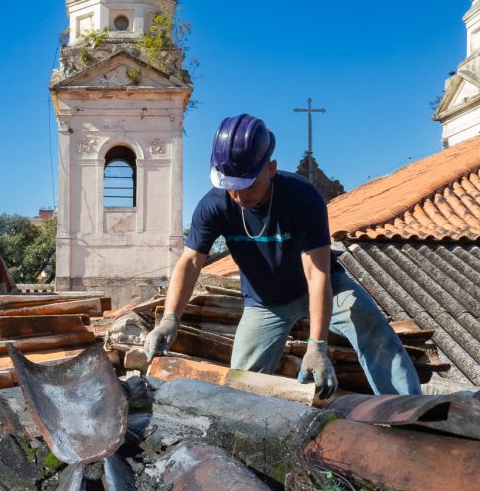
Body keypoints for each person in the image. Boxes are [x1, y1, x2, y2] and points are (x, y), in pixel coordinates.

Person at [144, 114, 421, 398]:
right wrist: (169, 320)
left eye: (248, 184)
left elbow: (317, 274)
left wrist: (318, 346)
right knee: (242, 382)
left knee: (370, 323)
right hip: (264, 302)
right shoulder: (213, 206)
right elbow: (190, 263)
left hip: (322, 286)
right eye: (231, 186)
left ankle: (408, 408)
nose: (239, 195)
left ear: (271, 168)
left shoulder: (302, 198)